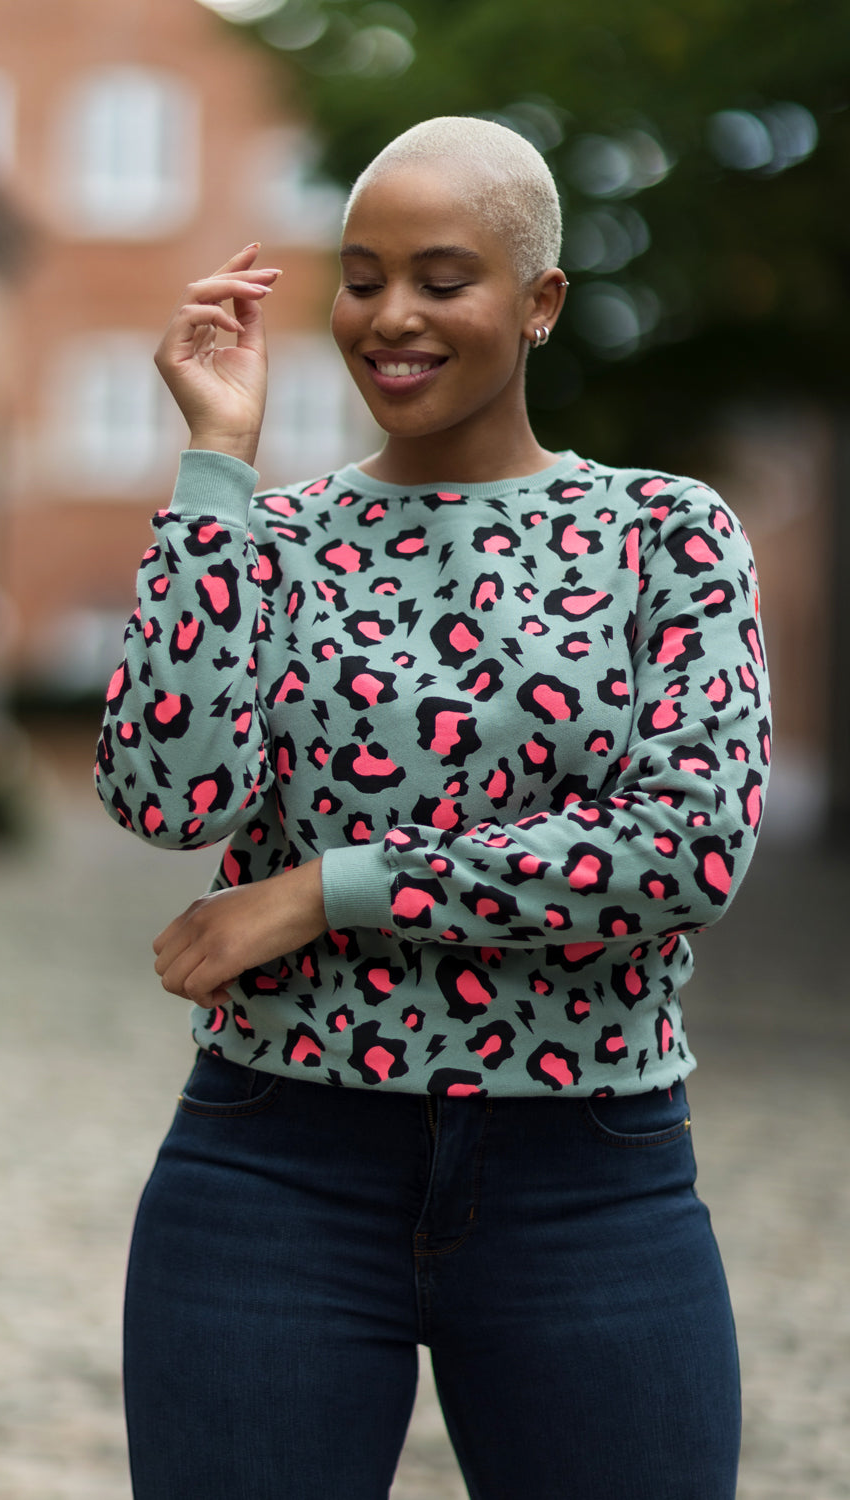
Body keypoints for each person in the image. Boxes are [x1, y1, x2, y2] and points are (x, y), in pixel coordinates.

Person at [95, 116, 769, 1500]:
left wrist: (318, 890)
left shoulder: (668, 536)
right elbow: (167, 797)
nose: (390, 315)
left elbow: (686, 844)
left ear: (539, 302)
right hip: (271, 1167)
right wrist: (218, 465)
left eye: (444, 278)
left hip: (588, 1172)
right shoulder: (270, 542)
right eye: (360, 275)